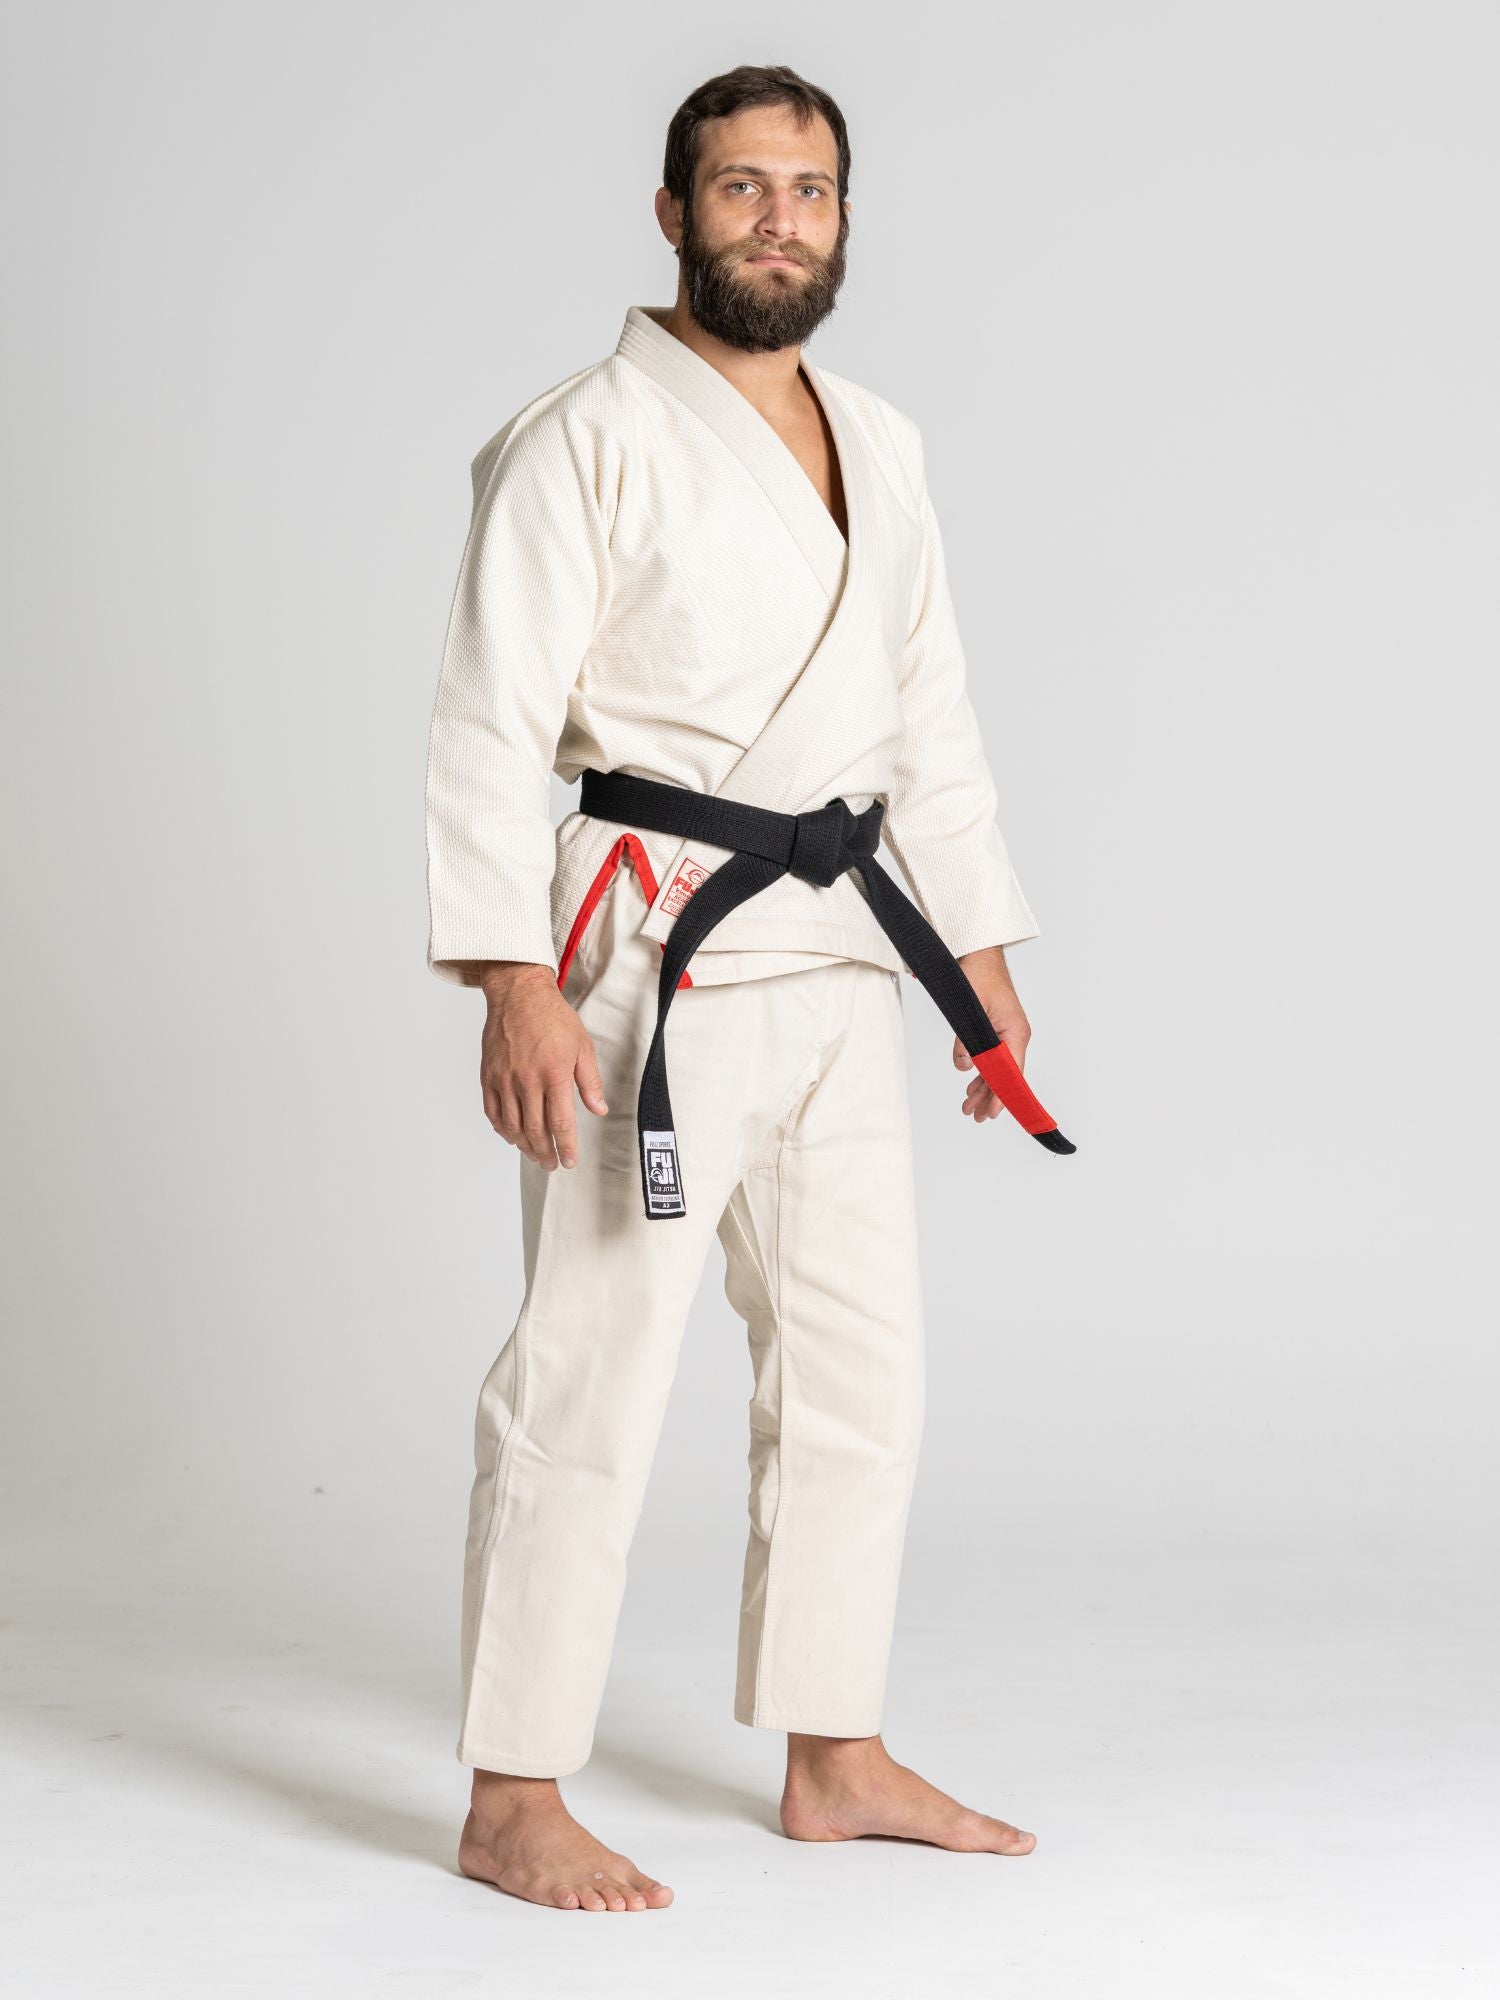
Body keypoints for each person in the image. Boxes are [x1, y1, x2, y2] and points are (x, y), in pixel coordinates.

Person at [424, 62, 1044, 1914]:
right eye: (741, 185)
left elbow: (928, 721)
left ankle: (835, 1753)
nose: (779, 216)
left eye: (812, 189)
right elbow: (486, 726)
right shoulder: (585, 436)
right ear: (674, 210)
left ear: (845, 218)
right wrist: (509, 982)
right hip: (650, 953)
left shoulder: (887, 440)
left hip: (845, 946)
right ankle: (512, 1788)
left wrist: (984, 972)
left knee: (862, 1370)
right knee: (589, 1374)